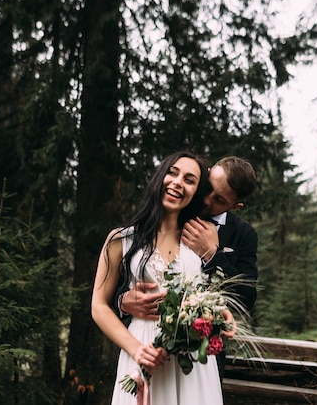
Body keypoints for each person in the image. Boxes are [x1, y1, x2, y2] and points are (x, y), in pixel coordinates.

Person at [91, 151, 236, 405]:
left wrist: (217, 311)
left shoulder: (203, 236)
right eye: (173, 172)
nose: (178, 182)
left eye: (189, 180)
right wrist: (137, 350)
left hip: (191, 361)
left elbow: (214, 289)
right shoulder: (120, 239)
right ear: (160, 178)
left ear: (195, 193)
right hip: (143, 350)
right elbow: (99, 306)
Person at [119, 156, 258, 379]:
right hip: (145, 346)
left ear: (235, 206)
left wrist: (212, 255)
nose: (206, 200)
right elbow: (130, 269)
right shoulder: (171, 209)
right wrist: (123, 302)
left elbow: (245, 298)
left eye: (219, 200)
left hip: (201, 361)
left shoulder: (244, 235)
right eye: (209, 188)